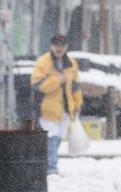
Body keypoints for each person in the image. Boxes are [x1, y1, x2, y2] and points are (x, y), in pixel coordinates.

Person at [31, 33, 83, 175]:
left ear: (66, 47)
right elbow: (38, 85)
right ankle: (51, 168)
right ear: (51, 46)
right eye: (56, 45)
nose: (59, 48)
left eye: (62, 46)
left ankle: (47, 162)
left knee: (58, 138)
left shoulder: (71, 63)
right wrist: (57, 80)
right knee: (51, 138)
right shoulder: (43, 62)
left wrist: (78, 103)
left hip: (66, 109)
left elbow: (75, 85)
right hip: (48, 108)